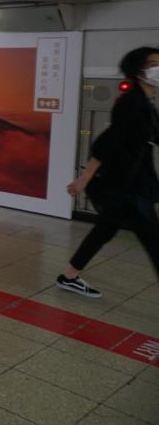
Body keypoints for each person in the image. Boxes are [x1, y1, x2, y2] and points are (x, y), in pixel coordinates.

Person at [61, 46, 159, 297]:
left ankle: (69, 276)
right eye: (154, 63)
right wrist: (84, 178)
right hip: (123, 185)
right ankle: (69, 276)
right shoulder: (131, 102)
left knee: (106, 228)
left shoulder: (146, 104)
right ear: (139, 71)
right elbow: (107, 142)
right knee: (152, 238)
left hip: (133, 182)